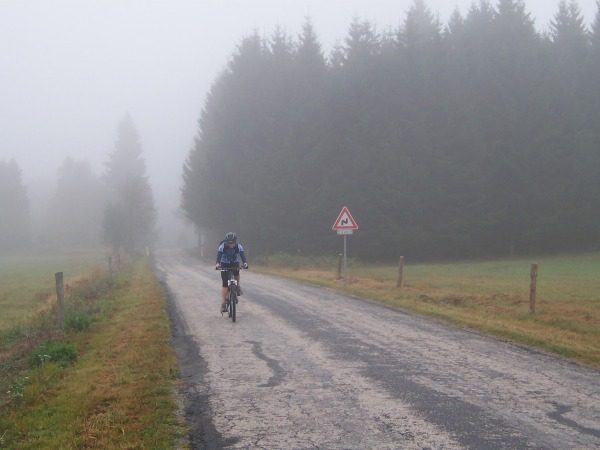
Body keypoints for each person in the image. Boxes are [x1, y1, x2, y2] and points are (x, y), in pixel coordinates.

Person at [215, 232, 248, 313]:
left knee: (236, 273)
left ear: (235, 241)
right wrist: (217, 264)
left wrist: (245, 263)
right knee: (225, 284)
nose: (231, 244)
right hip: (224, 263)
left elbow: (242, 255)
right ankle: (223, 304)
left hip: (234, 262)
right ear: (226, 241)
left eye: (232, 242)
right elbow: (219, 255)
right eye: (229, 242)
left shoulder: (238, 246)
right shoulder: (222, 246)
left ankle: (237, 286)